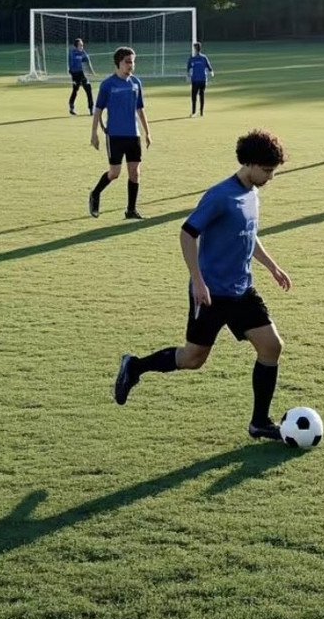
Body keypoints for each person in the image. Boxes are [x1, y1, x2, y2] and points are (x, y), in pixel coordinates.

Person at [112, 129, 292, 441]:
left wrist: (272, 266)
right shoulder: (220, 196)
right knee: (192, 359)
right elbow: (187, 233)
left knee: (272, 346)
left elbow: (248, 234)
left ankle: (259, 422)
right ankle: (135, 367)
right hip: (210, 294)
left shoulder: (252, 193)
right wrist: (197, 281)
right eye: (267, 170)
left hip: (242, 290)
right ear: (249, 164)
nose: (270, 177)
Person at [89, 47, 152, 220]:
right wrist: (94, 133)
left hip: (134, 135)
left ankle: (131, 210)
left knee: (135, 172)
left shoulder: (136, 83)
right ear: (118, 63)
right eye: (128, 62)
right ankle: (95, 194)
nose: (131, 65)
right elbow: (98, 110)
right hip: (115, 136)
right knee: (114, 173)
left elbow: (140, 109)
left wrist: (147, 132)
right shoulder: (108, 84)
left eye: (133, 61)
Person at [67, 38, 95, 116]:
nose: (82, 47)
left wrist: (91, 71)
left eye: (82, 45)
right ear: (76, 46)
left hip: (83, 74)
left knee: (88, 90)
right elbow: (71, 65)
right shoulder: (72, 53)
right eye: (80, 45)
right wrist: (72, 74)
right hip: (75, 74)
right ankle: (71, 106)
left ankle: (91, 109)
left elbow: (88, 61)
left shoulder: (83, 53)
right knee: (75, 90)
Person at [187, 42, 214, 117]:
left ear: (195, 49)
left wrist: (188, 75)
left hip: (198, 80)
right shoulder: (197, 58)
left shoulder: (196, 58)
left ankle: (195, 112)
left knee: (195, 96)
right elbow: (208, 66)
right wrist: (211, 71)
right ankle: (199, 112)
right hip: (200, 79)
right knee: (200, 95)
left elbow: (188, 68)